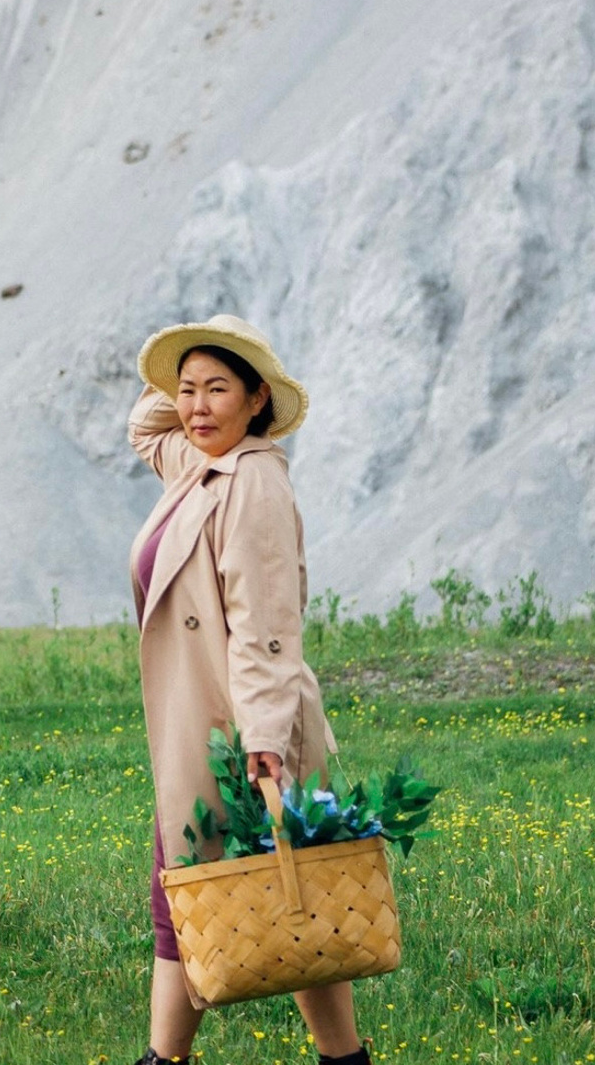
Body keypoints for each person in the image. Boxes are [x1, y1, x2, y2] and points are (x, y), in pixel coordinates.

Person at [127, 314, 371, 1065]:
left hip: (239, 727)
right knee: (255, 897)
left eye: (218, 390)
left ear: (257, 397)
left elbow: (267, 625)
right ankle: (340, 1061)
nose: (195, 407)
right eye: (188, 390)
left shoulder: (253, 480)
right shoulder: (199, 466)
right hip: (201, 723)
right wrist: (194, 386)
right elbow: (145, 423)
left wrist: (262, 738)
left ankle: (165, 1063)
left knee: (255, 893)